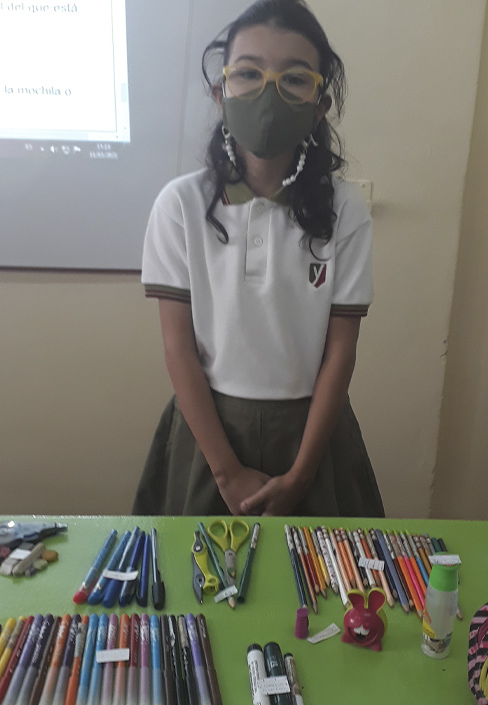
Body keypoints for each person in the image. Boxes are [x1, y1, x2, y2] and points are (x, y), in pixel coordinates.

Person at [132, 0, 384, 518]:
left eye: (294, 79)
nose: (270, 93)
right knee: (198, 567)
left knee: (322, 568)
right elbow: (178, 349)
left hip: (312, 438)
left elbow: (340, 354)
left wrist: (302, 475)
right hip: (210, 437)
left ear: (319, 105)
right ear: (220, 92)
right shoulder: (181, 205)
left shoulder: (345, 209)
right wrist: (226, 472)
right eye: (248, 73)